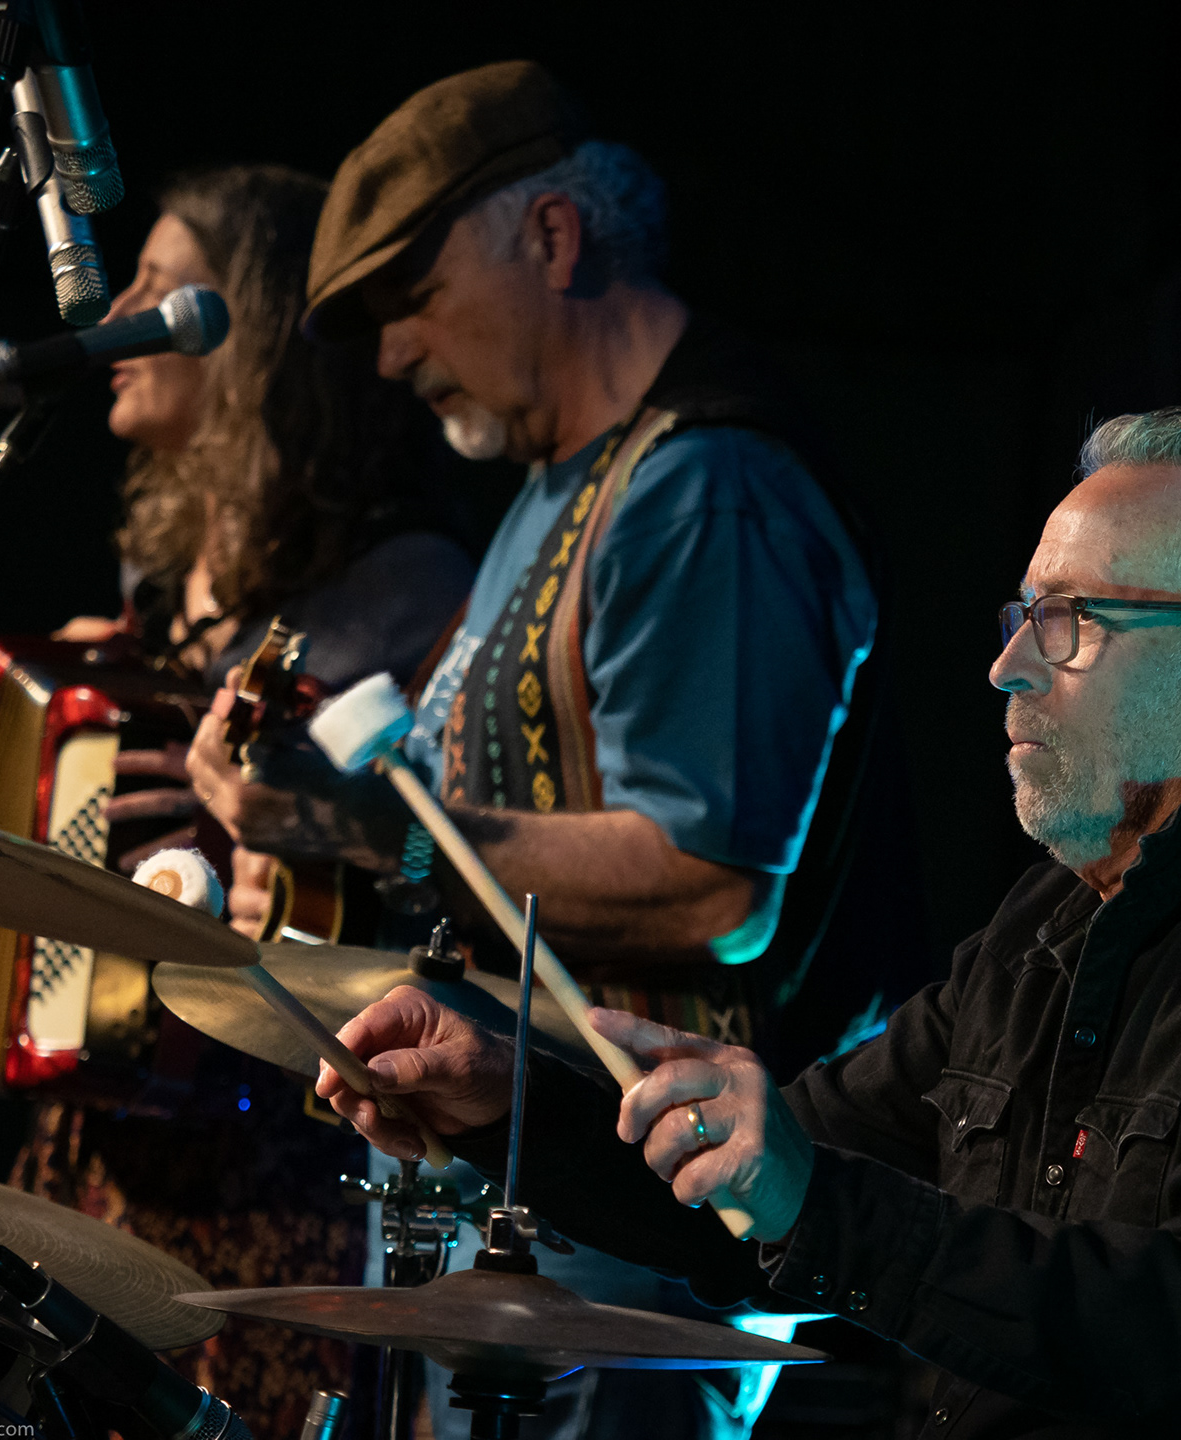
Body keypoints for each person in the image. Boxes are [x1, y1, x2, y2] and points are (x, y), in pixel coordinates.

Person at [317, 410, 1181, 1438]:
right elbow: (772, 1185)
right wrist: (508, 1103)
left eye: (1071, 620)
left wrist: (817, 1205)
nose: (1009, 667)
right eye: (1022, 616)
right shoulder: (1042, 934)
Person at [183, 62, 911, 1438]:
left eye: (413, 296)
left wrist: (362, 827)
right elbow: (476, 833)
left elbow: (714, 886)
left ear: (555, 238)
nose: (392, 355)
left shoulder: (704, 487)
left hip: (654, 1227)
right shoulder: (549, 490)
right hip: (552, 1200)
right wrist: (326, 848)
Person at [12, 164, 475, 1438]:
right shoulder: (158, 587)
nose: (119, 315)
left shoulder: (400, 584)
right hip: (105, 1129)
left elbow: (413, 859)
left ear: (257, 332)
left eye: (160, 287)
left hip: (276, 1148)